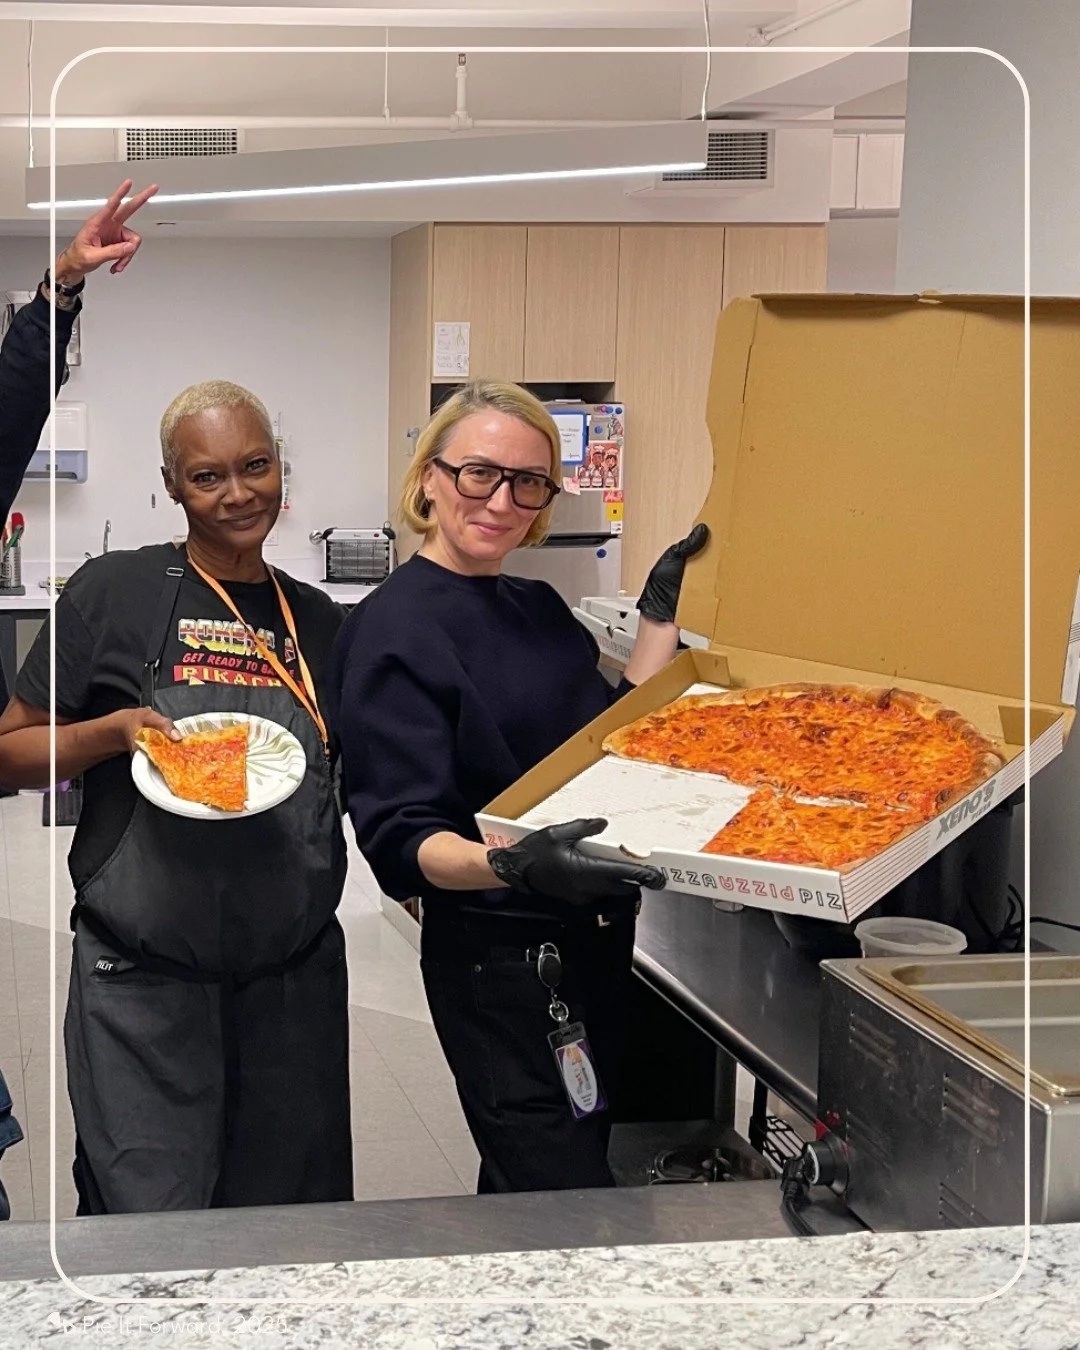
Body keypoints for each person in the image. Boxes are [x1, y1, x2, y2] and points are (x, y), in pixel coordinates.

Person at [328, 379, 707, 1194]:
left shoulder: (535, 605)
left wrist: (658, 621)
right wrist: (515, 864)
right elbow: (403, 835)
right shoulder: (392, 628)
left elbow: (610, 739)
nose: (502, 501)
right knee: (562, 1194)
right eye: (479, 474)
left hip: (599, 940)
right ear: (429, 477)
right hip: (504, 963)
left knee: (539, 1185)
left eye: (528, 483)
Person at [0, 373, 352, 1214]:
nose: (238, 493)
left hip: (293, 988)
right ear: (172, 486)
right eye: (208, 475)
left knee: (287, 1233)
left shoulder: (321, 624)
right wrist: (112, 733)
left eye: (256, 466)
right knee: (147, 1231)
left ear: (280, 469)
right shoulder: (113, 595)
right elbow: (8, 753)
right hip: (141, 986)